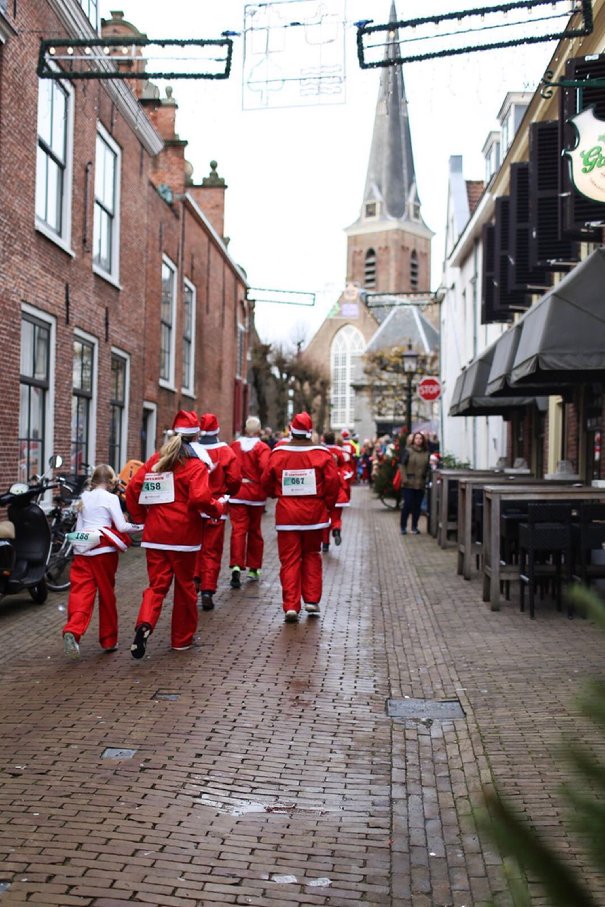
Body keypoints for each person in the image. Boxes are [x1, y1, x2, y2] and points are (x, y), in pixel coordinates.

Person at [125, 410, 225, 659]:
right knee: (185, 586)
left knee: (156, 586)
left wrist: (141, 518)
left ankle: (144, 624)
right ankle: (181, 640)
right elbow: (200, 498)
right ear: (196, 436)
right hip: (184, 537)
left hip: (155, 534)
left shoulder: (156, 460)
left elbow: (133, 488)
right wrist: (217, 508)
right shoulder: (195, 465)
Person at [261, 412, 340, 622]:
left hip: (287, 515)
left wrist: (274, 493)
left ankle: (291, 605)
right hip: (314, 515)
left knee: (289, 559)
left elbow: (266, 480)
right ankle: (312, 600)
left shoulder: (278, 453)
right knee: (312, 554)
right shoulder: (322, 454)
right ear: (310, 432)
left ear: (291, 430)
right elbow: (333, 483)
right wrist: (328, 505)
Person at [62, 464, 142, 659]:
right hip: (104, 551)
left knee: (81, 593)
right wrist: (142, 526)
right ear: (112, 481)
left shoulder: (84, 497)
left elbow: (79, 528)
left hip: (83, 550)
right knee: (106, 595)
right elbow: (121, 527)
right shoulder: (111, 498)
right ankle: (108, 639)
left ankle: (73, 630)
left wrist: (80, 549)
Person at [192, 412, 241, 611]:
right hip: (216, 506)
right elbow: (235, 479)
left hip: (194, 506)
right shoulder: (225, 451)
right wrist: (228, 492)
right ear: (217, 429)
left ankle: (194, 580)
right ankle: (207, 589)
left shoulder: (191, 449)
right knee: (212, 550)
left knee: (194, 547)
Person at [228, 415, 271, 588]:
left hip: (237, 492)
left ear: (245, 429)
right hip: (255, 494)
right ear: (259, 430)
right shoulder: (262, 448)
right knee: (254, 531)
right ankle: (254, 567)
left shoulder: (234, 446)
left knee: (238, 530)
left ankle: (236, 565)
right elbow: (265, 469)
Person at [321, 430, 352, 552]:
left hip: (325, 491)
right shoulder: (339, 451)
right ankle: (336, 530)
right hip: (338, 493)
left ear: (324, 439)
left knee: (325, 519)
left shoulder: (322, 451)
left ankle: (325, 544)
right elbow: (345, 466)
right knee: (336, 517)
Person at [399, 431, 431, 535]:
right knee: (407, 504)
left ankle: (414, 526)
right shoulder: (408, 451)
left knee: (417, 506)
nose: (418, 440)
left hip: (420, 483)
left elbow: (428, 468)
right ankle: (403, 526)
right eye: (416, 438)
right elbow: (402, 465)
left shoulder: (426, 453)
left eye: (420, 438)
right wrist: (404, 478)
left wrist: (427, 479)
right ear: (413, 440)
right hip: (408, 483)